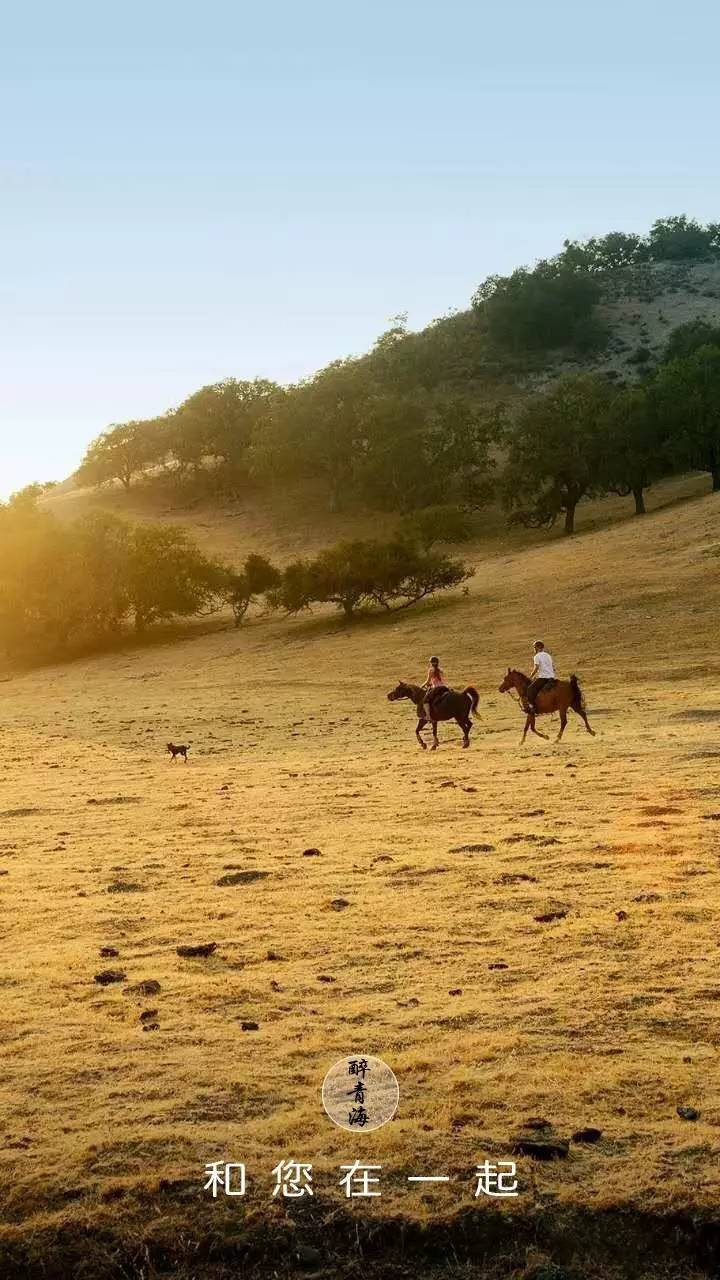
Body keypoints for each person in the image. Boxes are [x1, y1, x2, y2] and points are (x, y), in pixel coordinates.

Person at [525, 640, 556, 715]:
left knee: (529, 689)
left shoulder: (537, 656)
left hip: (543, 678)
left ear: (538, 648)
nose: (534, 649)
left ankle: (532, 707)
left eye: (534, 647)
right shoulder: (548, 655)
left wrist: (531, 676)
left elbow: (536, 668)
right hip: (551, 677)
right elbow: (553, 667)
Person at [422, 656, 448, 721]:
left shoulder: (431, 670)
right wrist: (431, 683)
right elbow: (441, 680)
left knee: (425, 700)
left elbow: (428, 681)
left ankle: (428, 716)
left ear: (431, 663)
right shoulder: (441, 670)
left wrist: (422, 685)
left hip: (436, 688)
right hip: (444, 687)